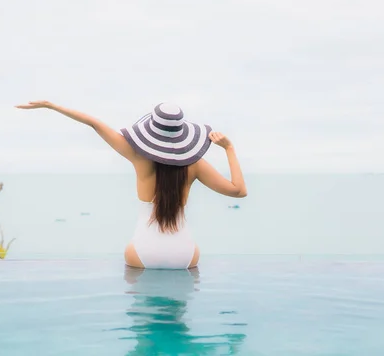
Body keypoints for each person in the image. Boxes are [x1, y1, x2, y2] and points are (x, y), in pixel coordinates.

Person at [15, 101, 247, 269]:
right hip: (184, 254)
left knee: (143, 326)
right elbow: (238, 191)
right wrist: (229, 148)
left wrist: (50, 106)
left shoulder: (139, 158)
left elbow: (94, 123)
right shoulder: (196, 164)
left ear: (152, 131)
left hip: (143, 252)